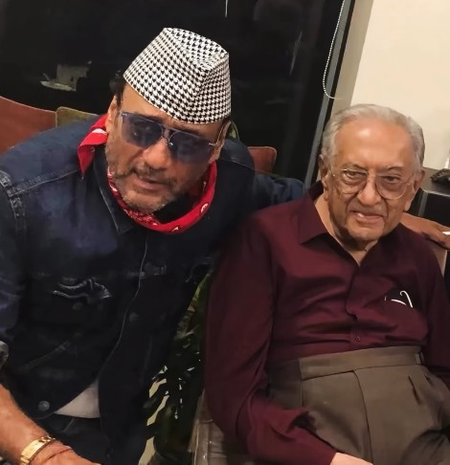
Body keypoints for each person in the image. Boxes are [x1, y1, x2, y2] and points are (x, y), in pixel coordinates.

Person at [0, 29, 446, 465]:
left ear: (215, 148)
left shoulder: (227, 181)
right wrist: (47, 456)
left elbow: (299, 198)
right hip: (20, 419)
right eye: (142, 128)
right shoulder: (21, 194)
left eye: (188, 143)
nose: (158, 159)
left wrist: (380, 208)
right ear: (114, 112)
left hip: (116, 428)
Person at [204, 104, 450, 465]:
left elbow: (445, 370)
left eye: (391, 180)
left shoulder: (417, 255)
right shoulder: (265, 241)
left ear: (413, 187)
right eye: (353, 174)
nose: (369, 197)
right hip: (314, 450)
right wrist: (324, 460)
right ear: (325, 171)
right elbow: (233, 394)